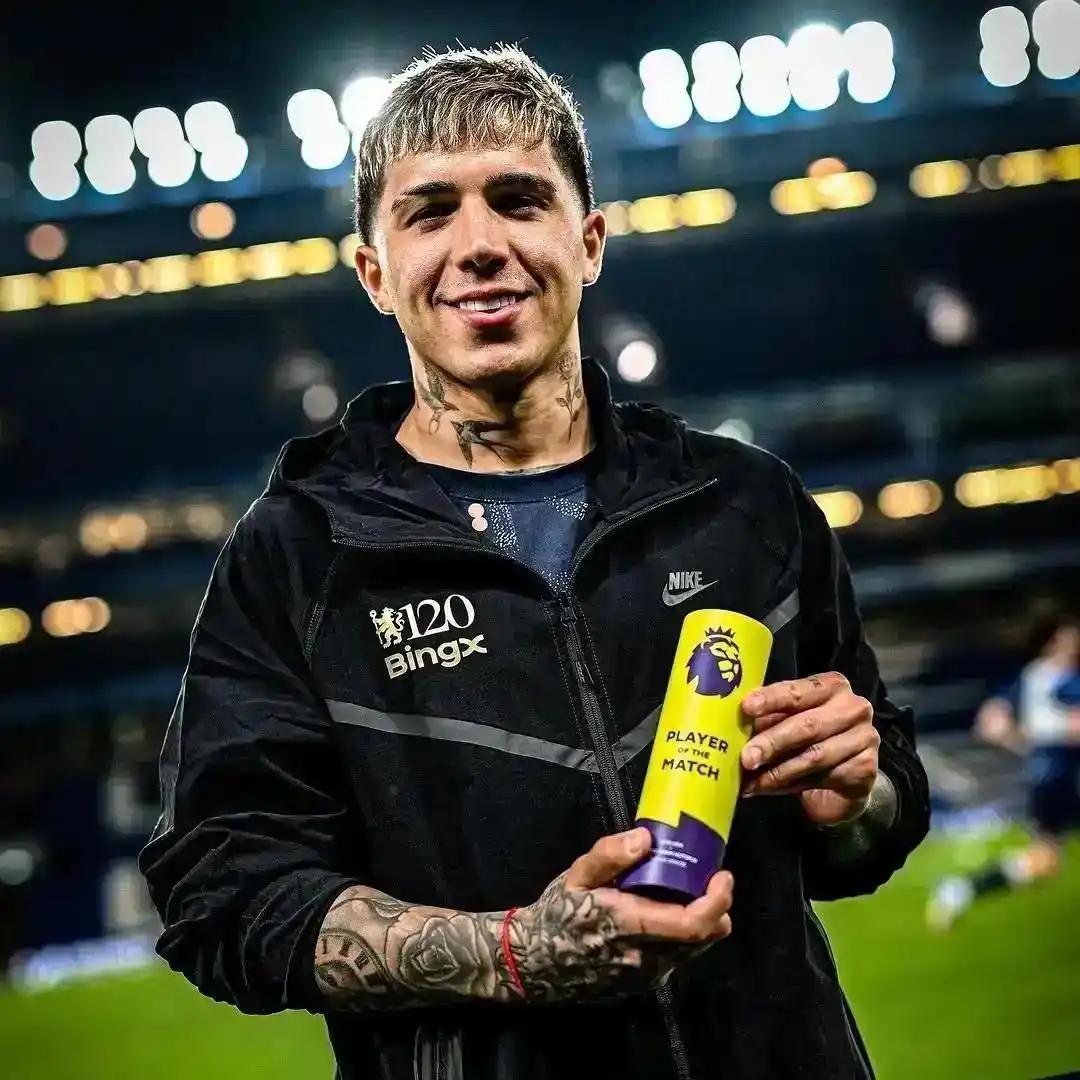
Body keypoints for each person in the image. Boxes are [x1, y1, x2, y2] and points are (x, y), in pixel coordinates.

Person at [138, 44, 929, 1080]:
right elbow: (223, 895)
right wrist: (517, 955)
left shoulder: (746, 506)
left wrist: (858, 797)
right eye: (430, 212)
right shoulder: (296, 557)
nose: (479, 246)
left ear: (588, 242)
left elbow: (876, 808)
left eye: (518, 200)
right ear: (374, 273)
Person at [927, 614, 1080, 931]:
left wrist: (1027, 744)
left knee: (1045, 860)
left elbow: (990, 722)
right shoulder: (1062, 679)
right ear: (1055, 642)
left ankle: (961, 890)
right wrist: (1041, 740)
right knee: (1045, 857)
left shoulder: (1030, 676)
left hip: (1047, 771)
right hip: (1061, 773)